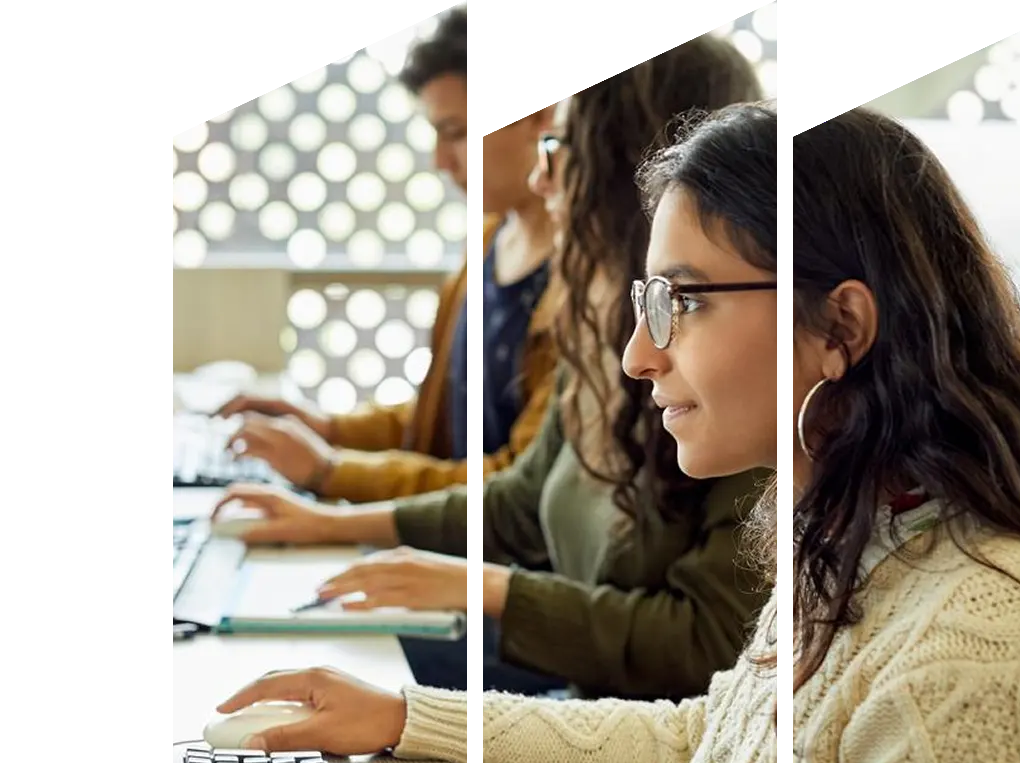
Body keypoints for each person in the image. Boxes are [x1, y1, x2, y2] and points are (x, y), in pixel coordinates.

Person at [217, 104, 1020, 763]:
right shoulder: (859, 528)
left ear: (840, 329)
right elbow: (715, 748)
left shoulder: (977, 660)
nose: (639, 354)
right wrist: (409, 717)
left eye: (685, 301)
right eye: (647, 301)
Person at [213, 34, 769, 702]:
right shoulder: (598, 325)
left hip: (633, 732)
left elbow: (705, 653)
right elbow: (514, 499)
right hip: (596, 705)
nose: (542, 176)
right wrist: (331, 513)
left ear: (635, 172)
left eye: (559, 148)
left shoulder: (743, 377)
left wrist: (474, 584)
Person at [214, 9, 563, 504]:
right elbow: (438, 423)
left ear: (540, 114)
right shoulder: (486, 246)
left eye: (460, 133)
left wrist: (332, 471)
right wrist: (328, 428)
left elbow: (518, 489)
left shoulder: (581, 284)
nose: (440, 162)